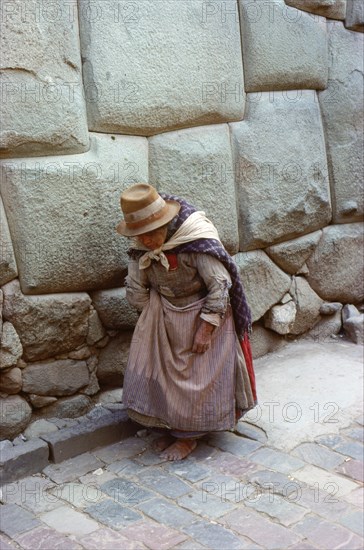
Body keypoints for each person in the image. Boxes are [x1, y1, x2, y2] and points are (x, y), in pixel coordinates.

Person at [116, 183, 257, 461]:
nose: (146, 241)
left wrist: (205, 329)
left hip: (203, 314)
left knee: (197, 378)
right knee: (164, 376)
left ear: (166, 223)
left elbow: (219, 286)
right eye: (140, 235)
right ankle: (170, 426)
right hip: (164, 313)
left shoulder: (195, 242)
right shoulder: (140, 249)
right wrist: (154, 317)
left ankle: (190, 437)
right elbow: (136, 288)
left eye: (152, 233)